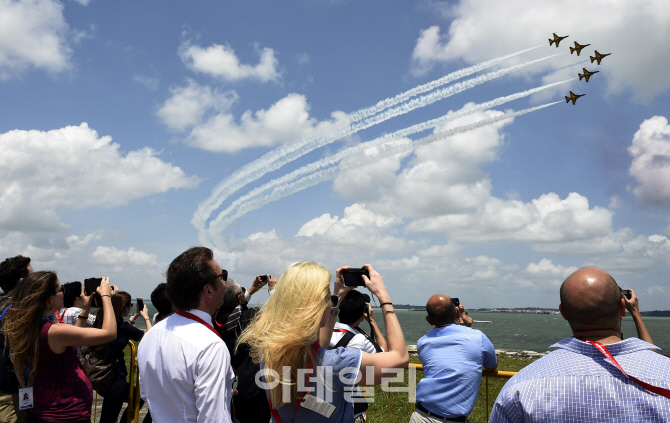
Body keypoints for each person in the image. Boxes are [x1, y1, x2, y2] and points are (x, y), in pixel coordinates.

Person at [490, 267, 670, 422]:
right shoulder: (664, 375)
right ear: (623, 307)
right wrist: (636, 313)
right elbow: (651, 357)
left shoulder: (520, 387)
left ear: (563, 312)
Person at [238, 262, 409, 422]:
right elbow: (399, 358)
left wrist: (337, 295)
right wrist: (383, 296)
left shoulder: (268, 351)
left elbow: (320, 346)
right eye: (327, 298)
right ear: (316, 309)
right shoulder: (338, 363)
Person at [3, 271, 117, 423]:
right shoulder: (53, 331)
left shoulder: (30, 328)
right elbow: (109, 333)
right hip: (66, 414)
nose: (63, 293)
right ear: (50, 299)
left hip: (44, 411)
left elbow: (71, 338)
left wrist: (85, 309)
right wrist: (106, 297)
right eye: (60, 289)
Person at [138, 246, 235, 423]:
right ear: (208, 290)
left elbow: (147, 393)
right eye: (223, 277)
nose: (225, 283)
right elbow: (214, 418)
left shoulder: (152, 334)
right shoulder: (210, 345)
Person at [411, 295, 497, 423]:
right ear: (457, 312)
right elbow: (491, 366)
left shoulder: (422, 343)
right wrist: (467, 328)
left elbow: (448, 356)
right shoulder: (478, 337)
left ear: (429, 320)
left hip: (421, 416)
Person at [212, 277, 275, 422]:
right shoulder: (250, 317)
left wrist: (251, 290)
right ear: (239, 297)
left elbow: (234, 308)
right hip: (252, 386)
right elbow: (274, 317)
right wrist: (273, 292)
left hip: (225, 380)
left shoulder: (214, 316)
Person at [86, 291, 151, 423]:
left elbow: (121, 333)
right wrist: (146, 318)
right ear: (124, 308)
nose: (131, 307)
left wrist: (133, 319)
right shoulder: (123, 327)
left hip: (100, 376)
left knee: (111, 413)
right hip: (115, 379)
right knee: (110, 417)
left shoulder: (103, 321)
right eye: (130, 305)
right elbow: (150, 338)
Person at [329, 289, 388, 422]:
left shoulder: (323, 332)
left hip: (322, 404)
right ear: (363, 315)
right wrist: (372, 321)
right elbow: (384, 354)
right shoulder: (359, 340)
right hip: (349, 409)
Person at [0, 255, 33, 423]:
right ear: (22, 283)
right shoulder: (17, 312)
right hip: (8, 396)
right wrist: (27, 387)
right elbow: (15, 355)